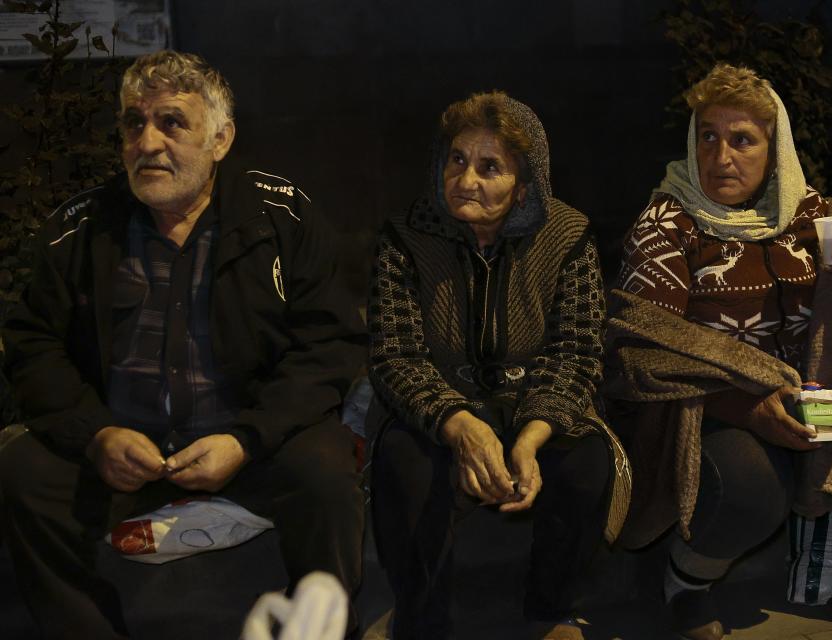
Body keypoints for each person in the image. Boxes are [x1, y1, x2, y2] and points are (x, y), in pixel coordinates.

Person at [0, 50, 366, 638]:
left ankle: (312, 628)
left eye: (171, 122)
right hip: (123, 450)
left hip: (248, 440)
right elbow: (33, 346)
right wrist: (95, 435)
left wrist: (246, 438)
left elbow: (330, 341)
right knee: (21, 470)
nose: (147, 143)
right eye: (133, 123)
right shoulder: (80, 228)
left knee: (325, 472)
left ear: (221, 139)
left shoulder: (281, 216)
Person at [603, 64, 832, 640]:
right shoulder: (666, 223)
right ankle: (685, 584)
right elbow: (642, 354)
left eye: (742, 139)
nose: (721, 155)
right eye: (708, 136)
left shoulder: (808, 213)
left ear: (774, 147)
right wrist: (747, 407)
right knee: (752, 481)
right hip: (706, 409)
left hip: (801, 400)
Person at [367, 90, 630, 640]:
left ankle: (551, 608)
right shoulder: (404, 237)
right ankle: (420, 616)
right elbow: (396, 355)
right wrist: (461, 425)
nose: (466, 180)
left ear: (524, 184)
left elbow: (576, 352)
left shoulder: (566, 236)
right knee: (403, 460)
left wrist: (530, 439)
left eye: (491, 168)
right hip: (441, 400)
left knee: (585, 463)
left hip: (531, 398)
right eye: (457, 160)